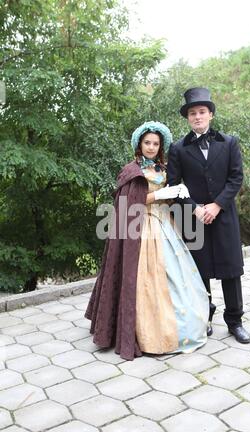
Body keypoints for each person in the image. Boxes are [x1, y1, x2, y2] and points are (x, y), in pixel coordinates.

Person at [85, 121, 209, 360]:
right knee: (144, 278)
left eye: (155, 143)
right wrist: (160, 194)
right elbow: (130, 202)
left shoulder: (163, 168)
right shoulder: (131, 170)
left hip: (166, 226)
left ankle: (183, 326)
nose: (151, 147)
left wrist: (176, 194)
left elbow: (167, 199)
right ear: (139, 145)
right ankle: (145, 331)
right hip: (141, 228)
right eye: (147, 143)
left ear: (161, 146)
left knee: (176, 276)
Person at [167, 87, 250, 344]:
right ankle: (205, 317)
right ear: (188, 118)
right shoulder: (178, 148)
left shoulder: (229, 143)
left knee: (231, 268)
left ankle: (235, 321)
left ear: (211, 114)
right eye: (193, 113)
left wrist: (216, 205)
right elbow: (172, 185)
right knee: (199, 270)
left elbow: (236, 177)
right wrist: (194, 207)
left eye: (202, 112)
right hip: (193, 218)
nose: (198, 117)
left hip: (223, 214)